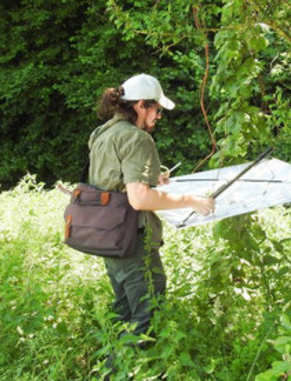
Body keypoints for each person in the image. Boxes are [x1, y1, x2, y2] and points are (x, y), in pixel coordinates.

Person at [89, 74, 214, 349]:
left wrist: (150, 178)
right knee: (147, 316)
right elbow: (139, 199)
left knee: (123, 311)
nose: (159, 116)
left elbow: (113, 183)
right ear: (141, 105)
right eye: (157, 109)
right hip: (132, 241)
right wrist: (192, 200)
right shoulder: (138, 139)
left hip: (107, 238)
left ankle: (111, 375)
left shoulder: (103, 133)